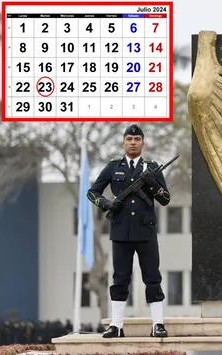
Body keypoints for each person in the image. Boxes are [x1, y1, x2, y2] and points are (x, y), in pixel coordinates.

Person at [87, 124, 171, 338]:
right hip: (121, 232)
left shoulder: (151, 168)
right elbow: (92, 192)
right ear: (124, 142)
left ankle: (158, 324)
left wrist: (153, 185)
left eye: (137, 139)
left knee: (152, 278)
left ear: (143, 142)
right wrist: (106, 203)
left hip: (146, 232)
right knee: (120, 279)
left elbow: (165, 199)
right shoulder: (113, 167)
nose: (133, 142)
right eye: (129, 139)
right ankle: (116, 325)